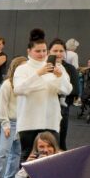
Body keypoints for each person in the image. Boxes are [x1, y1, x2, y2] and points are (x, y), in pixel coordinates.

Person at [13, 28, 71, 161]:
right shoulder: (23, 69)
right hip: (29, 121)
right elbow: (19, 89)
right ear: (29, 51)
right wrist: (38, 74)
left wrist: (59, 76)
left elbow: (67, 90)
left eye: (44, 50)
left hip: (50, 121)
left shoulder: (58, 67)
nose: (42, 54)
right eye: (38, 51)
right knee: (28, 157)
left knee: (51, 159)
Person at [0, 57, 25, 178]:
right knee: (3, 151)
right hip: (10, 122)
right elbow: (1, 107)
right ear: (14, 68)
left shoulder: (25, 85)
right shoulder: (7, 85)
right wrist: (6, 124)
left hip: (22, 123)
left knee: (16, 153)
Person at [49, 39, 80, 149]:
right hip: (44, 109)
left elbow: (75, 90)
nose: (58, 53)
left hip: (62, 109)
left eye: (61, 51)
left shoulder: (70, 69)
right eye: (55, 50)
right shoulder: (44, 67)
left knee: (60, 141)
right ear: (49, 52)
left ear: (65, 53)